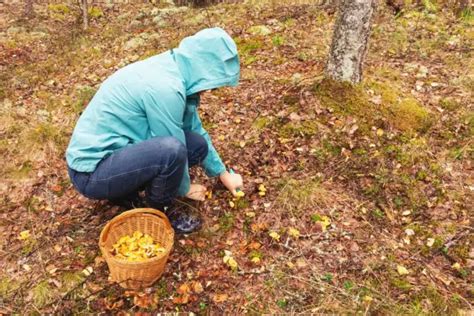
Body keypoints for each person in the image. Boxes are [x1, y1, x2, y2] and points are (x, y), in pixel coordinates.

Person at [66, 27, 243, 233]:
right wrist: (185, 189)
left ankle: (126, 190)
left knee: (197, 145)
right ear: (202, 68)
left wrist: (221, 173)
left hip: (117, 154)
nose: (211, 90)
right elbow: (170, 146)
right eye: (213, 81)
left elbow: (193, 128)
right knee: (172, 150)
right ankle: (158, 212)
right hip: (91, 173)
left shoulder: (175, 69)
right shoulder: (166, 88)